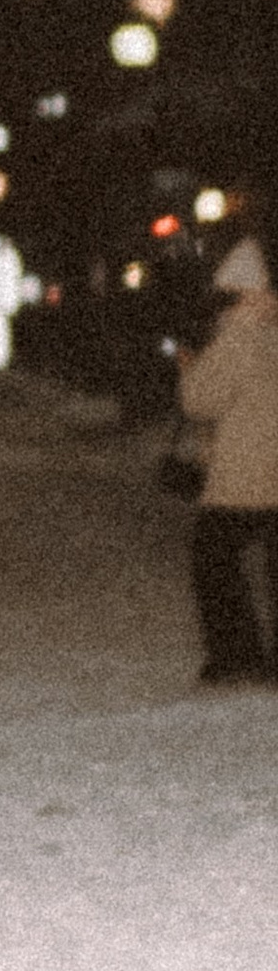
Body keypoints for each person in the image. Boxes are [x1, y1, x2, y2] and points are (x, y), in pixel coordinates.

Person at [174, 277, 278, 681]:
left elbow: (198, 399)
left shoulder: (241, 336)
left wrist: (190, 367)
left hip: (247, 473)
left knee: (213, 558)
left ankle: (236, 655)